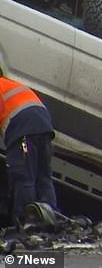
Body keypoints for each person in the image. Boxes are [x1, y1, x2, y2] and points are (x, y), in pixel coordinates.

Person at [0, 76, 57, 224]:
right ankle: (50, 220)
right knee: (43, 177)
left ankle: (25, 223)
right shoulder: (10, 84)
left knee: (23, 177)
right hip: (44, 127)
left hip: (23, 131)